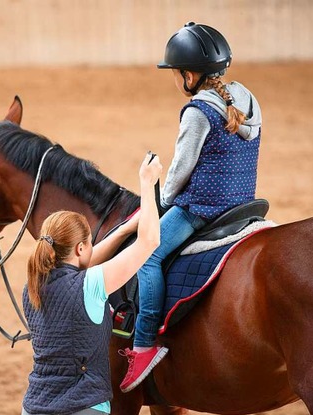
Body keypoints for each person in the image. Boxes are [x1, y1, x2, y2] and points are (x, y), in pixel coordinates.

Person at [119, 22, 263, 393]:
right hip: (242, 204)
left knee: (147, 254)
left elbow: (180, 170)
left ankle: (144, 343)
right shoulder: (247, 99)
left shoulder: (198, 111)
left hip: (203, 208)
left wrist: (160, 201)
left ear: (188, 75)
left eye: (176, 74)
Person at [20, 153, 162, 415]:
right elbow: (149, 242)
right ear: (80, 249)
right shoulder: (91, 284)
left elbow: (78, 265)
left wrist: (121, 232)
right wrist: (147, 182)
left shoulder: (32, 286)